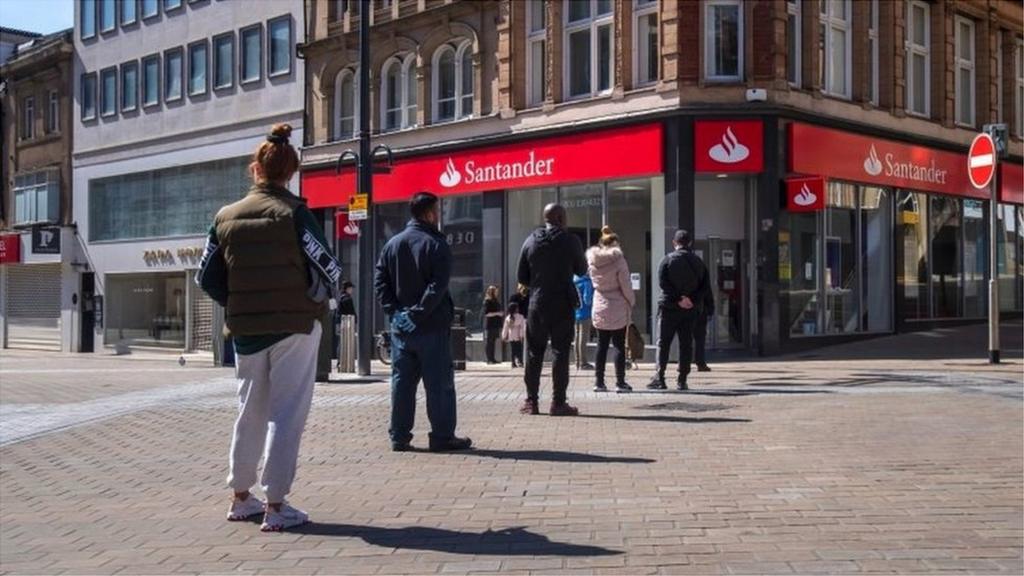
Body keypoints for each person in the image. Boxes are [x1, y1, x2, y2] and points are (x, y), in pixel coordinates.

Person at [197, 123, 340, 532]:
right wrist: (313, 299)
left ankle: (241, 497)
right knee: (286, 414)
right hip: (294, 325)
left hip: (245, 329)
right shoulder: (296, 214)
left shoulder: (224, 218)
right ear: (290, 172)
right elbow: (328, 266)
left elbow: (205, 276)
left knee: (249, 412)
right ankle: (277, 505)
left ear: (254, 169)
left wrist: (237, 301)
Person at [374, 191, 472, 453]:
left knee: (402, 384)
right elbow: (437, 287)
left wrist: (395, 313)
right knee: (439, 385)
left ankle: (399, 436)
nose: (438, 216)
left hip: (401, 331)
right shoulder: (436, 244)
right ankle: (442, 436)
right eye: (437, 211)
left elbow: (380, 282)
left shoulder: (392, 244)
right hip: (431, 327)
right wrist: (417, 314)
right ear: (429, 213)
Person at [517, 203, 587, 416]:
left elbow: (522, 276)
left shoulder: (530, 240)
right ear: (559, 218)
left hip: (537, 304)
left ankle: (531, 402)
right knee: (560, 352)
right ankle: (558, 403)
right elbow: (582, 269)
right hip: (562, 305)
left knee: (533, 353)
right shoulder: (571, 241)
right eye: (564, 217)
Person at [648, 229, 709, 392]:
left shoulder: (667, 260)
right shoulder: (698, 262)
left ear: (674, 243)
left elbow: (663, 283)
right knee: (686, 344)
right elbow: (705, 287)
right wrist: (691, 300)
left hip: (668, 308)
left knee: (663, 343)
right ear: (689, 243)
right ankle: (682, 380)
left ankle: (660, 377)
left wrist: (677, 299)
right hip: (690, 310)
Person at [586, 226, 636, 393]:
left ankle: (599, 382)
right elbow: (626, 285)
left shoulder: (592, 261)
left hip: (599, 302)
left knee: (601, 344)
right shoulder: (619, 261)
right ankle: (620, 382)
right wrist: (631, 301)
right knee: (619, 345)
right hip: (617, 304)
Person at [573, 273, 595, 370]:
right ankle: (583, 362)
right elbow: (587, 299)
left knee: (577, 337)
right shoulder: (587, 282)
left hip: (575, 312)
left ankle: (577, 361)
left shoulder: (574, 280)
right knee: (583, 337)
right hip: (585, 312)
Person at [694, 284, 714, 372]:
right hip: (699, 311)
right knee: (699, 339)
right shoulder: (702, 275)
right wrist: (710, 309)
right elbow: (707, 293)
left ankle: (683, 363)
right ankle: (700, 363)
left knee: (686, 339)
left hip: (693, 311)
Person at [482, 286, 503, 364]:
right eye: (496, 291)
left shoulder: (495, 300)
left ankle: (493, 358)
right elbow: (487, 313)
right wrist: (497, 313)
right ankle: (489, 359)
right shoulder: (487, 301)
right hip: (490, 324)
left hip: (495, 324)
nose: (497, 293)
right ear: (492, 292)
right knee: (489, 342)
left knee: (493, 341)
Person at [501, 302, 526, 368]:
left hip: (511, 335)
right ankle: (520, 361)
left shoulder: (508, 317)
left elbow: (505, 327)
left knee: (513, 349)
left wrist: (504, 336)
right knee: (519, 349)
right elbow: (522, 327)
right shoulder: (520, 317)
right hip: (518, 335)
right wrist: (521, 335)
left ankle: (513, 362)